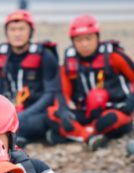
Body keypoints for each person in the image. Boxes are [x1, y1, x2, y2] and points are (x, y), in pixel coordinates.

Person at [47, 14, 134, 150]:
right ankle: (90, 137)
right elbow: (63, 93)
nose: (84, 44)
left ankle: (76, 134)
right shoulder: (69, 64)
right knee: (52, 114)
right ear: (73, 41)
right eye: (79, 40)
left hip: (113, 109)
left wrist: (131, 100)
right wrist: (63, 112)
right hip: (84, 112)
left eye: (89, 39)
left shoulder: (114, 56)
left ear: (97, 38)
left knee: (109, 121)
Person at [0, 10, 60, 146]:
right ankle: (14, 137)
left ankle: (15, 137)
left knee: (37, 122)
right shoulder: (1, 59)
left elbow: (50, 94)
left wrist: (23, 115)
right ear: (7, 33)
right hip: (10, 110)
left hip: (35, 111)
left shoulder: (45, 55)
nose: (17, 34)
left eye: (22, 29)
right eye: (13, 29)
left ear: (30, 31)